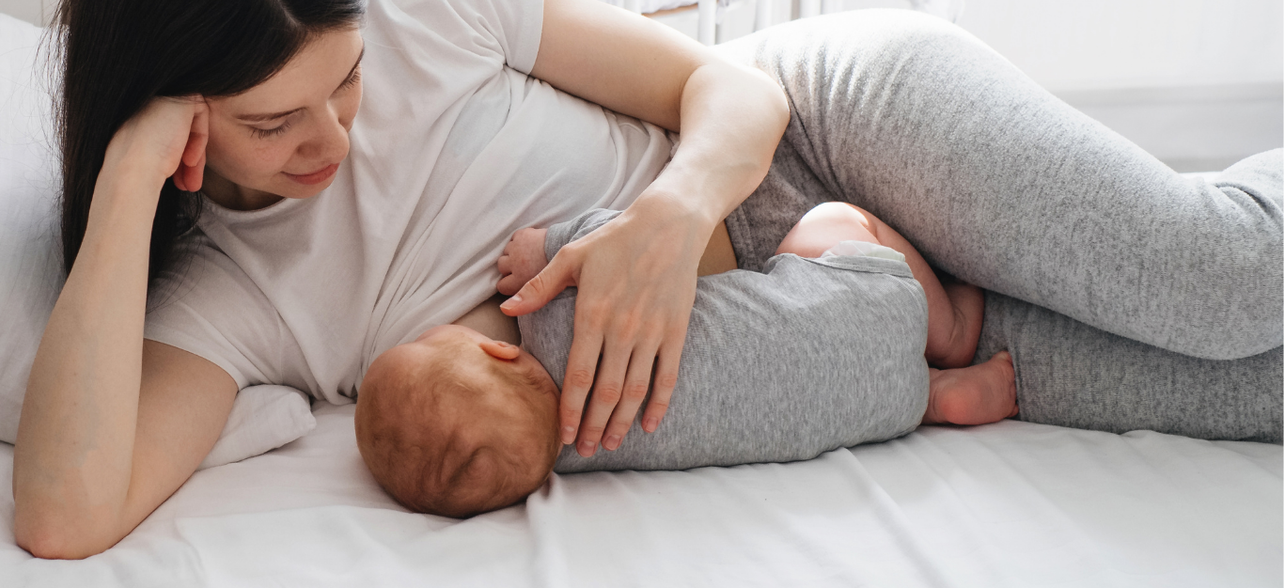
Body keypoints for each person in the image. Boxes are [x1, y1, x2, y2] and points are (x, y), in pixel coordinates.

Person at [14, 0, 1280, 560]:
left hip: (827, 127)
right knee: (1234, 394)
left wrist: (667, 224)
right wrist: (127, 179)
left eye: (346, 85)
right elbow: (64, 516)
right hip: (828, 313)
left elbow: (726, 83)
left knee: (1214, 279)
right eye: (277, 124)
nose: (335, 136)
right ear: (176, 114)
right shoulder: (227, 301)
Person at [355, 202, 1018, 518]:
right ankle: (953, 329)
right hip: (864, 305)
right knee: (830, 221)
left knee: (817, 395)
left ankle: (941, 396)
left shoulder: (577, 458)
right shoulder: (557, 315)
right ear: (500, 349)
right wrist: (544, 247)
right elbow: (624, 241)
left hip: (878, 410)